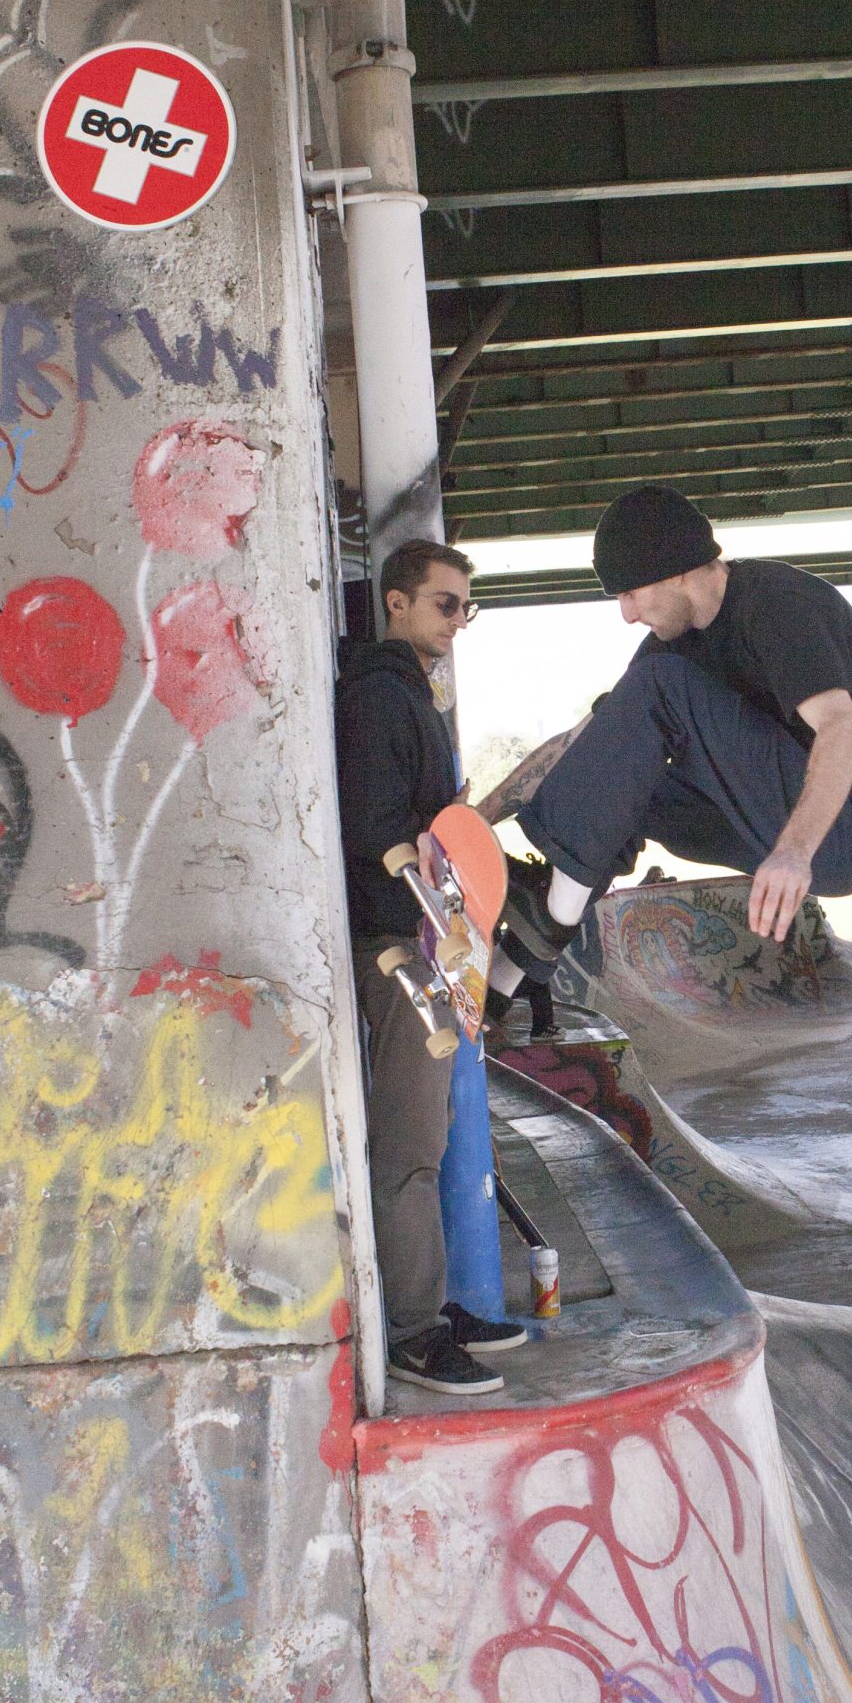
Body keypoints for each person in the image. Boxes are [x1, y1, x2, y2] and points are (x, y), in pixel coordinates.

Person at [492, 485, 852, 994]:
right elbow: (583, 740)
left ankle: (550, 911)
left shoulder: (774, 604)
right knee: (622, 772)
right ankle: (505, 983)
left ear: (678, 571)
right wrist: (478, 820)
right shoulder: (670, 645)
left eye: (631, 593)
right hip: (766, 825)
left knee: (660, 683)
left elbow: (843, 734)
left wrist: (793, 853)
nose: (627, 615)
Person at [335, 539, 528, 1398]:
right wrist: (437, 880)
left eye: (466, 608)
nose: (457, 620)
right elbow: (376, 828)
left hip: (423, 941)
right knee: (410, 1145)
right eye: (445, 604)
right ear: (398, 603)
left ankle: (431, 1308)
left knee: (433, 1138)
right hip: (401, 947)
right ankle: (414, 1332)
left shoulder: (410, 692)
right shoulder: (380, 696)